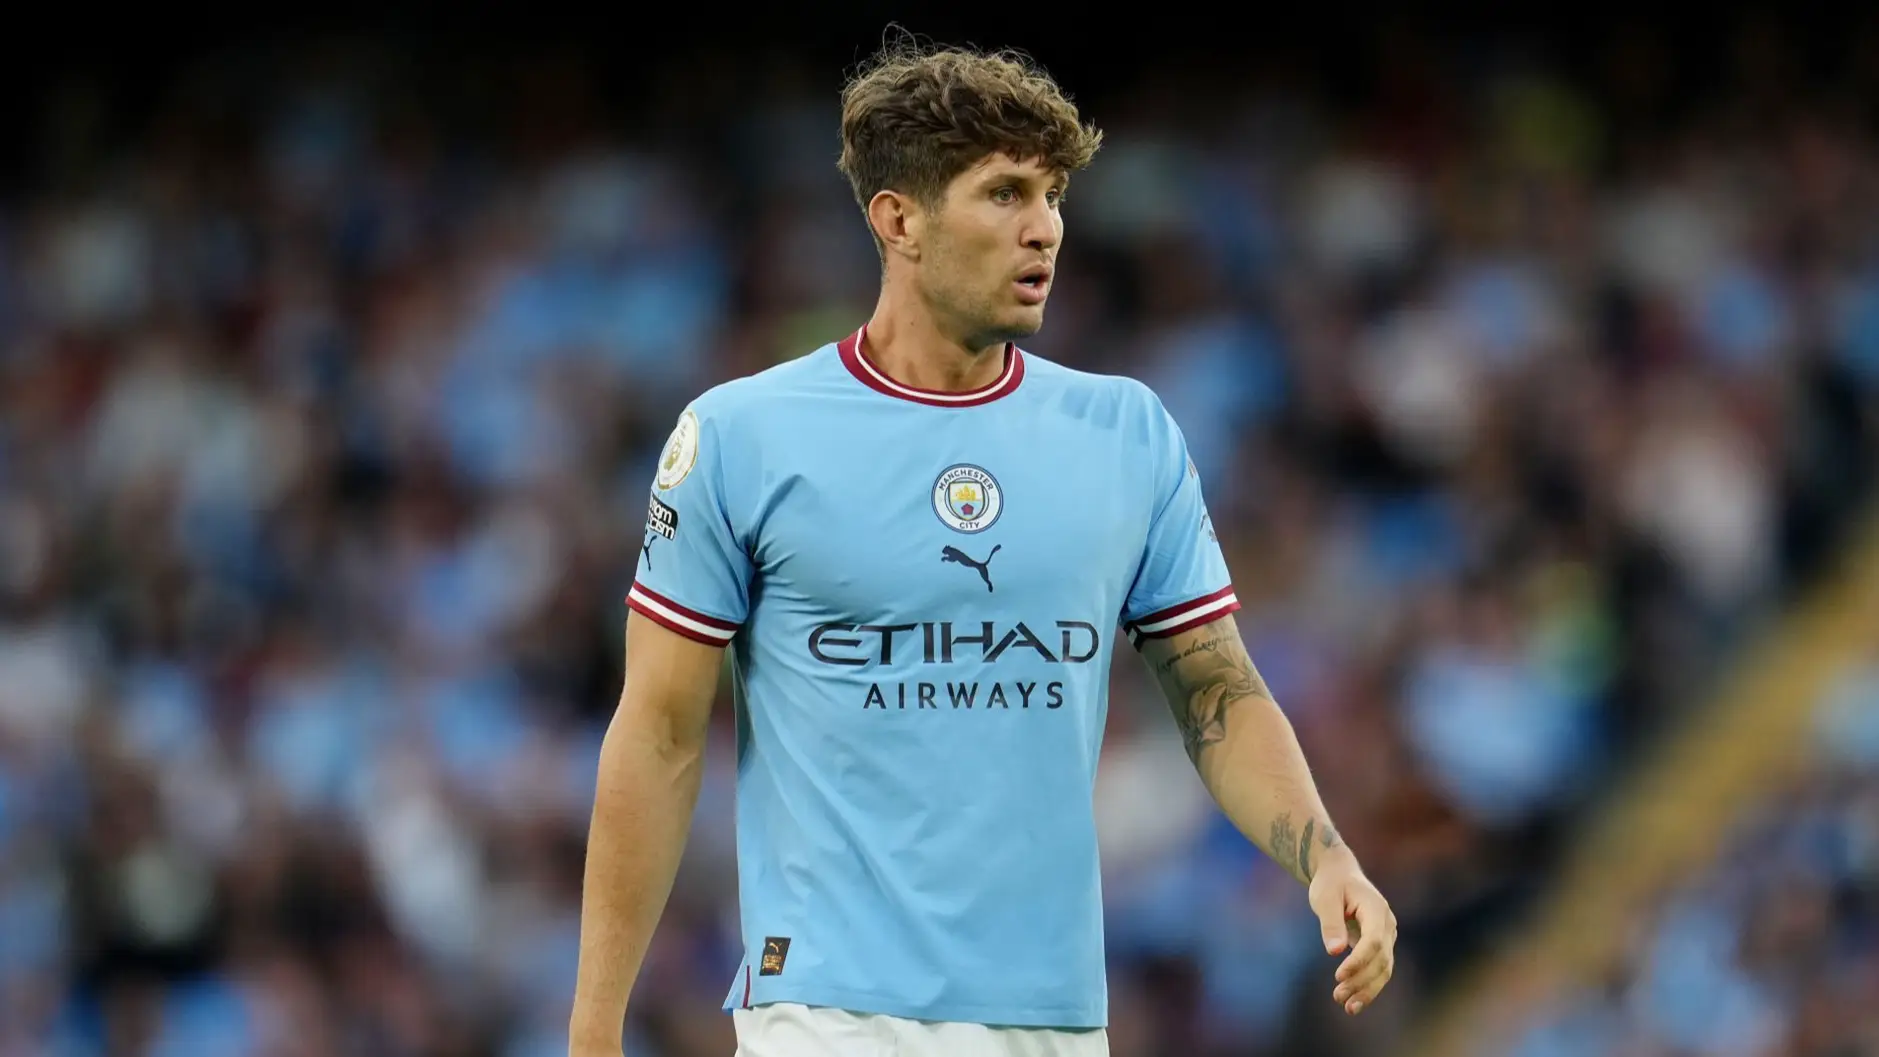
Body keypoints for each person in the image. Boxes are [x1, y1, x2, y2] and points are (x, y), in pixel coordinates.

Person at [569, 39, 1397, 1057]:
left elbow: (1217, 689)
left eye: (1052, 195)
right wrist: (594, 1026)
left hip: (1054, 1019)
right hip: (828, 1014)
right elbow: (656, 735)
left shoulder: (1126, 433)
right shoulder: (742, 437)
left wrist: (1324, 857)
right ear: (898, 220)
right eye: (1003, 193)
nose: (1044, 227)